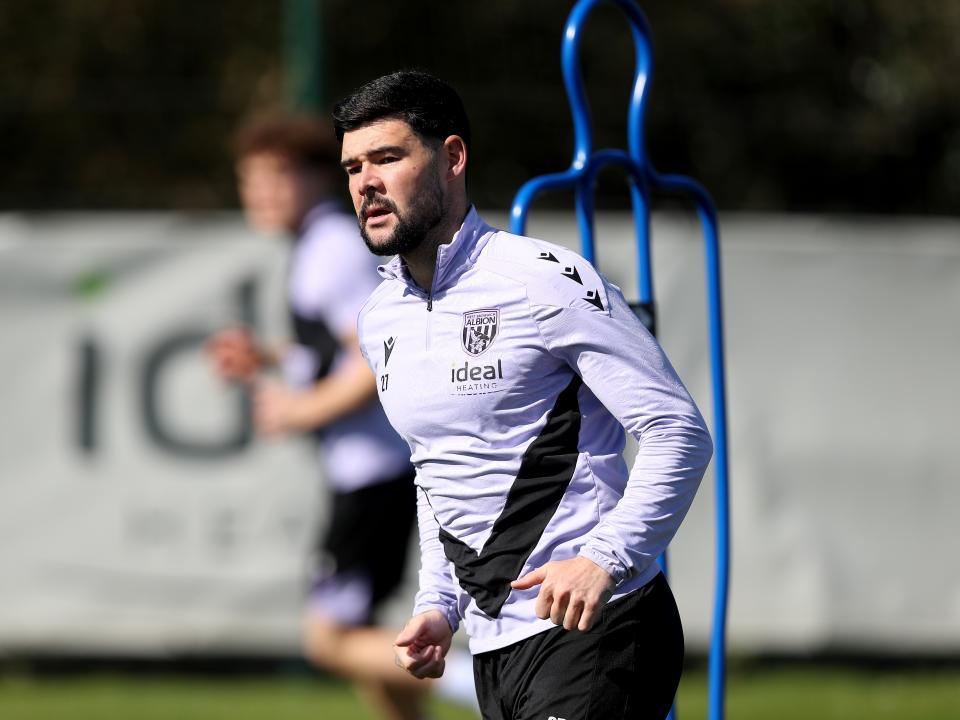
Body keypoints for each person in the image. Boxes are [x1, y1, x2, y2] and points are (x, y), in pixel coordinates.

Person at [332, 70, 714, 720]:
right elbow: (436, 469)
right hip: (494, 652)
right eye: (351, 167)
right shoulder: (379, 318)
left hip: (602, 629)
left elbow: (679, 429)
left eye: (388, 158)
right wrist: (438, 605)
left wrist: (603, 559)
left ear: (452, 158)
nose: (365, 182)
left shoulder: (543, 281)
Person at [206, 113, 476, 720]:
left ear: (315, 181)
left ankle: (482, 683)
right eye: (251, 181)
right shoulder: (321, 243)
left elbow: (371, 357)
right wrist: (274, 356)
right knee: (367, 639)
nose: (262, 195)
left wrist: (301, 409)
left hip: (372, 469)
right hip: (371, 468)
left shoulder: (329, 248)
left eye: (278, 178)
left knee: (328, 640)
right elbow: (344, 342)